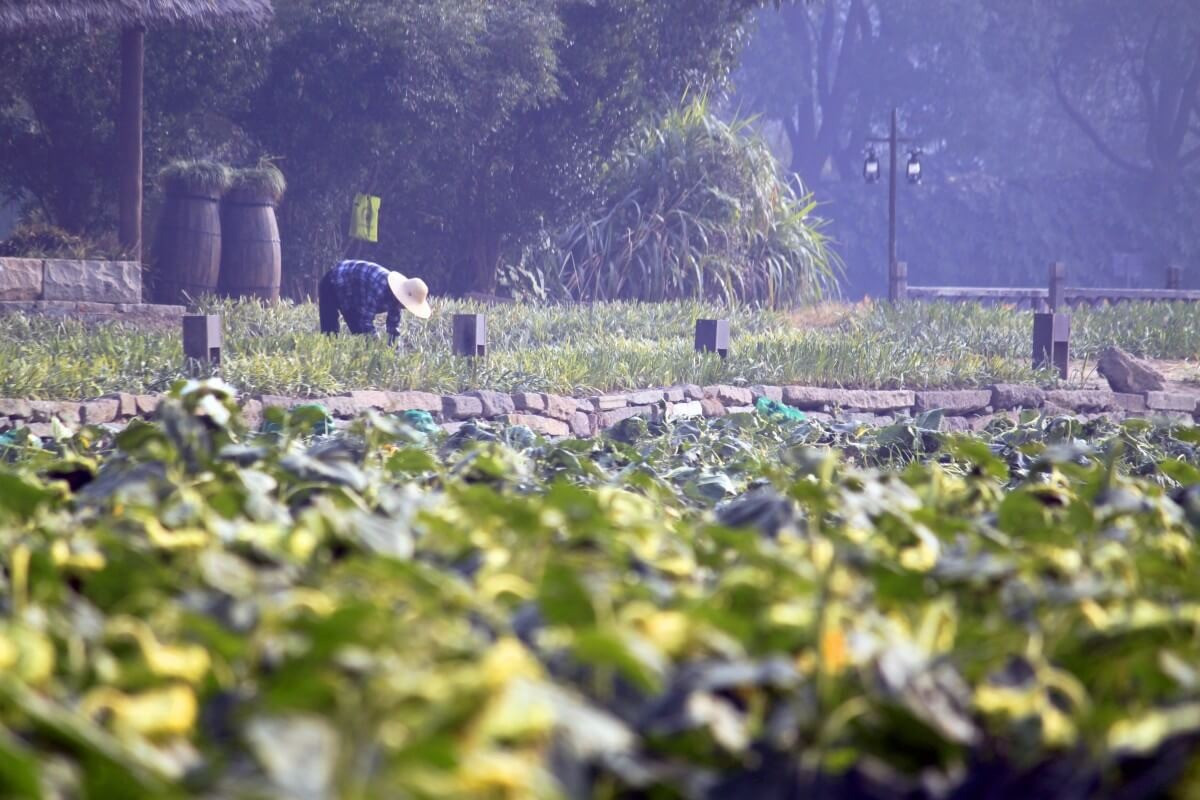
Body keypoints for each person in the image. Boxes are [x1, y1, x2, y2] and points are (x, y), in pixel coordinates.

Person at [318, 260, 432, 343]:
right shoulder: (380, 289)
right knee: (330, 332)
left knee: (361, 336)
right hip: (334, 280)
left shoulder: (396, 299)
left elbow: (393, 328)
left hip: (354, 294)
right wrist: (377, 344)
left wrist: (394, 351)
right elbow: (365, 322)